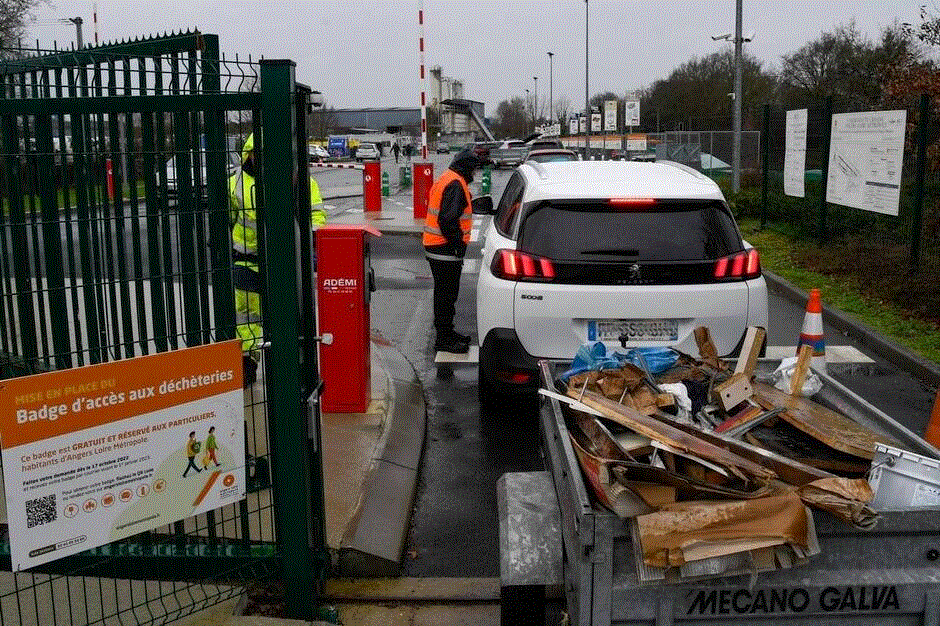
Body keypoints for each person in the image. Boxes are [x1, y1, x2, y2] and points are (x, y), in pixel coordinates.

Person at [229, 133, 325, 386]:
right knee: (246, 316)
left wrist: (310, 245)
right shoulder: (235, 183)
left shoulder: (298, 181)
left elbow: (315, 215)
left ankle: (285, 368)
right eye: (256, 154)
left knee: (285, 316)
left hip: (284, 262)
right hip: (247, 259)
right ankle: (247, 364)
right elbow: (227, 219)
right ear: (249, 155)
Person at [423, 147, 489, 353]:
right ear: (466, 169)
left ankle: (447, 333)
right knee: (446, 296)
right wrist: (458, 245)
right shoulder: (455, 185)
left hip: (436, 246)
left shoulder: (448, 178)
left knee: (445, 294)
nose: (475, 174)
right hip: (444, 249)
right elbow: (447, 220)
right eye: (473, 170)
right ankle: (443, 339)